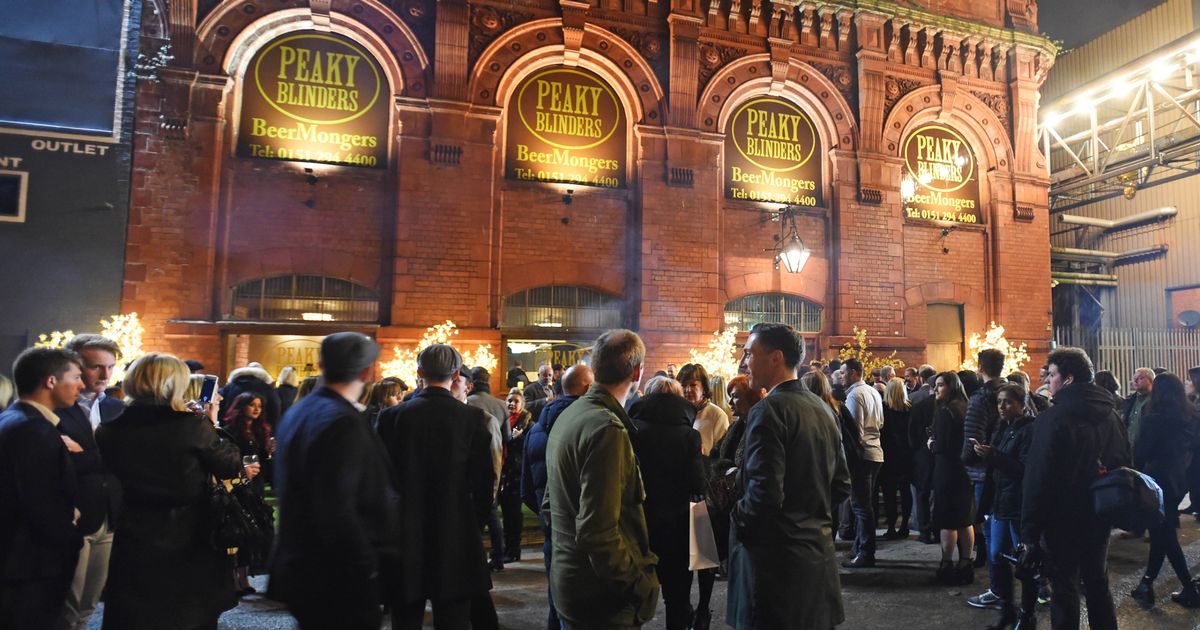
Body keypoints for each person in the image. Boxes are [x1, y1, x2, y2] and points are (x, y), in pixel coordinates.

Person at [96, 353, 248, 630]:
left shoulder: (110, 429)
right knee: (185, 609)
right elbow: (230, 465)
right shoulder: (191, 425)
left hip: (134, 524)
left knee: (137, 608)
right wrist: (212, 422)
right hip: (188, 528)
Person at [269, 333, 400, 629]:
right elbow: (337, 508)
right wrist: (365, 566)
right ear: (367, 372)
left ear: (321, 364)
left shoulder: (301, 411)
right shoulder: (341, 421)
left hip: (304, 565)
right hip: (337, 575)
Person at [727, 323, 850, 630]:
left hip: (774, 575)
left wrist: (736, 520)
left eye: (748, 354)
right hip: (816, 565)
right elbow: (842, 484)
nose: (743, 363)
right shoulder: (822, 409)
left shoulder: (768, 410)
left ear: (776, 357)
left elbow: (763, 496)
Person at [544, 329, 659, 630]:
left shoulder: (572, 414)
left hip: (571, 584)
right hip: (599, 598)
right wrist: (638, 585)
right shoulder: (606, 429)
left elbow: (549, 504)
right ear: (637, 371)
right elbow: (599, 532)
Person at [376, 344, 497, 630]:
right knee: (453, 619)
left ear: (419, 372)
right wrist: (474, 525)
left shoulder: (391, 418)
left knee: (405, 620)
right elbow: (484, 484)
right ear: (456, 375)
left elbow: (380, 480)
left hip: (405, 533)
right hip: (455, 532)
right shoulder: (471, 419)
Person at [1019, 347, 1130, 630]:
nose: (1047, 381)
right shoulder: (1112, 415)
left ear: (1067, 379)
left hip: (1061, 520)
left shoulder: (1052, 419)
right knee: (1097, 583)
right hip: (1100, 514)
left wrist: (1029, 532)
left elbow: (1038, 478)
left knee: (1064, 589)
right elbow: (1124, 463)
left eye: (1052, 375)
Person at [0, 348, 85, 629]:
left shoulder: (13, 418)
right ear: (51, 381)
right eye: (75, 377)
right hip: (31, 563)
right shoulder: (33, 429)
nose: (81, 385)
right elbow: (39, 502)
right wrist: (69, 537)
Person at [54, 335, 124, 630]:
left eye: (110, 367)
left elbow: (126, 460)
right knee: (64, 605)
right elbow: (57, 462)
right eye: (97, 367)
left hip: (109, 513)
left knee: (89, 603)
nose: (105, 375)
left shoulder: (116, 408)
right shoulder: (56, 407)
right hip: (72, 512)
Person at [628, 376, 704, 630]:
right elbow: (697, 484)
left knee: (633, 597)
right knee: (678, 597)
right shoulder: (689, 436)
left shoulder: (631, 430)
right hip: (676, 525)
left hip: (638, 523)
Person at [521, 364, 594, 630]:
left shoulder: (536, 429)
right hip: (582, 529)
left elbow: (526, 487)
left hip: (552, 528)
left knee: (557, 598)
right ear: (586, 388)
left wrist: (545, 512)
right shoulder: (588, 424)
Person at [695, 374, 764, 629]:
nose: (731, 402)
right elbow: (717, 457)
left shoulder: (756, 425)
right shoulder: (737, 425)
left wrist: (728, 469)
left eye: (735, 397)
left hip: (740, 507)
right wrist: (726, 468)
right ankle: (703, 609)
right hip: (720, 503)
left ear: (750, 397)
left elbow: (748, 469)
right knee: (703, 552)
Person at [1129, 372, 1200, 609]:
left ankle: (1190, 588)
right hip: (1179, 482)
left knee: (1166, 536)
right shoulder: (1190, 416)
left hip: (1156, 483)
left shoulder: (1153, 419)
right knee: (1161, 534)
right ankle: (1146, 584)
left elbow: (1141, 454)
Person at [972, 384, 1038, 629]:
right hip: (1001, 504)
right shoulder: (1003, 428)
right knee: (996, 556)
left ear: (1022, 404)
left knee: (1024, 564)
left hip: (1018, 506)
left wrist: (993, 456)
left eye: (1008, 402)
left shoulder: (1028, 430)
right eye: (999, 402)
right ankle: (1007, 610)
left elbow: (1024, 470)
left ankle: (1026, 615)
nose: (1002, 406)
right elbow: (994, 472)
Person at [221, 392, 273, 594]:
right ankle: (235, 579)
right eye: (252, 405)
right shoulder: (231, 432)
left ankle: (244, 578)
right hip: (239, 485)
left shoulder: (260, 432)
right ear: (241, 407)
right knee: (239, 532)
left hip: (255, 486)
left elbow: (262, 464)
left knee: (252, 533)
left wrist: (268, 452)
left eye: (259, 405)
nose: (257, 409)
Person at [929, 371, 975, 585]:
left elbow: (944, 445)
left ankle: (946, 564)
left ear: (951, 386)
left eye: (940, 385)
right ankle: (966, 563)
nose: (936, 389)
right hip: (965, 470)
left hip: (947, 470)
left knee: (948, 520)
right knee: (965, 519)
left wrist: (931, 444)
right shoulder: (967, 407)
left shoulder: (946, 411)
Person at [840, 358, 885, 568]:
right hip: (875, 451)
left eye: (843, 372)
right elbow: (881, 422)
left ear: (855, 373)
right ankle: (859, 548)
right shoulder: (873, 391)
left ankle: (866, 553)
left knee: (861, 506)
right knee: (864, 505)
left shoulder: (855, 395)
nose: (841, 376)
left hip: (862, 455)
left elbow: (853, 431)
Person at [465, 368, 508, 573]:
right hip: (496, 460)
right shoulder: (500, 404)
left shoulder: (468, 404)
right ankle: (498, 555)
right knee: (493, 514)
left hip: (475, 464)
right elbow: (506, 437)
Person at [500, 388, 534, 563]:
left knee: (513, 514)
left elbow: (529, 449)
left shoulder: (528, 425)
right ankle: (508, 548)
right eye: (509, 400)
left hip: (517, 473)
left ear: (522, 405)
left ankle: (513, 550)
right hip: (504, 472)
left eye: (516, 401)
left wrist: (519, 438)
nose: (512, 404)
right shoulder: (503, 420)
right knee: (507, 512)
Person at [879, 377, 912, 540]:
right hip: (906, 456)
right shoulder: (910, 409)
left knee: (889, 493)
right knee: (905, 492)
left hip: (888, 456)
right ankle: (905, 525)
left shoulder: (884, 408)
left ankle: (891, 526)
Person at [678, 363, 730, 456]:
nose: (687, 390)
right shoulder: (677, 413)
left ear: (704, 387)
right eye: (683, 385)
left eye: (693, 385)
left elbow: (722, 454)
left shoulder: (717, 415)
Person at [218, 364, 282, 435]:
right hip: (258, 432)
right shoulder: (268, 389)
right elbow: (275, 411)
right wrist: (270, 432)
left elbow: (219, 407)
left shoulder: (228, 387)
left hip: (230, 431)